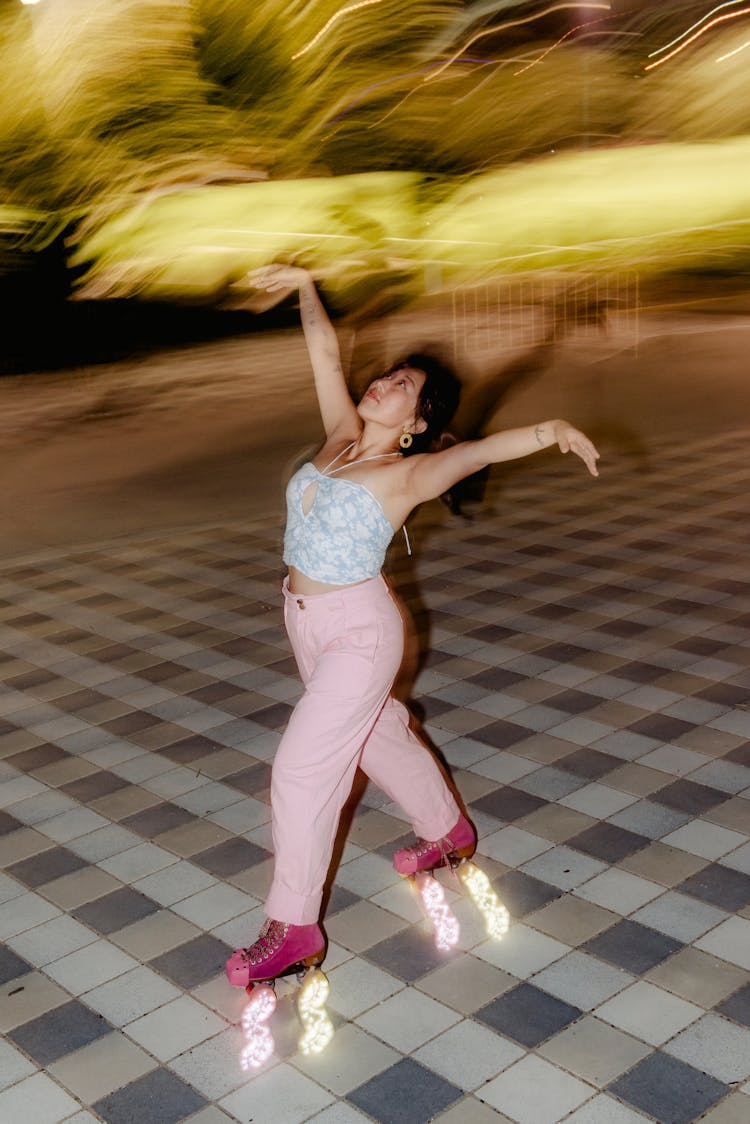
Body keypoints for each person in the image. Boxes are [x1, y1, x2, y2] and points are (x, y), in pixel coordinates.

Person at [226, 264, 600, 988]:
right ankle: (448, 832)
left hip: (360, 633)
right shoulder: (340, 436)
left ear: (417, 422)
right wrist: (305, 283)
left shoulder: (411, 475)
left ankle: (294, 926)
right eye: (391, 375)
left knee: (302, 771)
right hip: (304, 621)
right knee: (377, 735)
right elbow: (325, 355)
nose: (387, 384)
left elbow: (479, 452)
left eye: (406, 388)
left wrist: (551, 429)